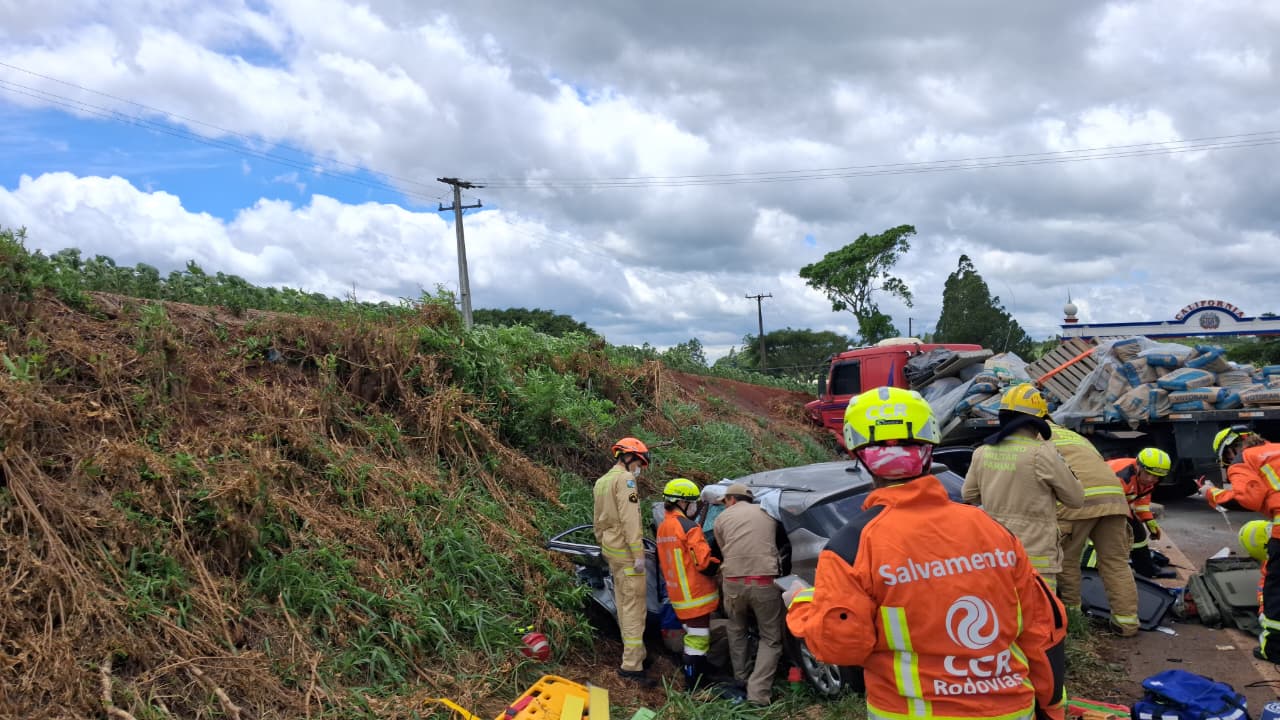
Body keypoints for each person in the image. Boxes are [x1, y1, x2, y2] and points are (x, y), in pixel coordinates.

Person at [787, 386, 1068, 720]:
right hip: (1010, 710)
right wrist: (1051, 707)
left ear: (857, 454)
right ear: (930, 445)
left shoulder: (852, 546)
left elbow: (841, 646)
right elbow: (1043, 630)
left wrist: (804, 604)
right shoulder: (991, 530)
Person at [963, 383, 1084, 590]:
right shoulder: (1042, 453)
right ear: (1036, 422)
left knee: (1003, 612)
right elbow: (1076, 499)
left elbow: (969, 494)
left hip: (995, 552)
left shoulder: (982, 452)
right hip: (1035, 554)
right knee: (1040, 617)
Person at [1049, 422, 1140, 636]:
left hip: (1079, 501)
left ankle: (1073, 619)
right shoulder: (1074, 435)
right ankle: (1126, 623)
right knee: (1116, 563)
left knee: (1067, 560)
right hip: (1114, 498)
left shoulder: (1036, 436)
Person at [714, 482, 788, 706]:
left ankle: (740, 680)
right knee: (771, 638)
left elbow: (724, 549)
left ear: (732, 500)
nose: (724, 506)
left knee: (736, 629)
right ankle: (758, 694)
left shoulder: (720, 520)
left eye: (725, 501)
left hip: (733, 582)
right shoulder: (768, 514)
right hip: (764, 581)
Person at [1211, 427, 1280, 662]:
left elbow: (1248, 499)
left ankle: (1273, 649)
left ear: (1230, 450)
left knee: (1275, 590)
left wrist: (1211, 493)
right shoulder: (1276, 450)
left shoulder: (1243, 459)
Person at [593, 437, 655, 687]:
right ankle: (631, 666)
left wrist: (605, 544)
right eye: (639, 462)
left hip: (611, 550)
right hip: (628, 554)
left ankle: (638, 654)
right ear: (629, 458)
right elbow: (631, 521)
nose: (639, 468)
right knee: (633, 609)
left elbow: (598, 522)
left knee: (623, 603)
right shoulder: (625, 480)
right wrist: (638, 555)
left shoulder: (602, 481)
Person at [656, 477, 723, 691]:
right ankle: (694, 686)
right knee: (698, 640)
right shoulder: (688, 527)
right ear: (682, 502)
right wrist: (720, 563)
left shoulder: (664, 527)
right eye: (693, 502)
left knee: (694, 637)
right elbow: (703, 562)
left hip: (678, 595)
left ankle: (696, 679)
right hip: (696, 594)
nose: (695, 506)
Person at [1107, 448, 1175, 580]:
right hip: (1099, 504)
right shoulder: (1122, 477)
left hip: (1116, 504)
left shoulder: (1146, 479)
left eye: (1155, 476)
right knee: (1107, 538)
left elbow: (1142, 502)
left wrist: (1149, 521)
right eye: (1147, 474)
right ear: (1138, 467)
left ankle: (1145, 571)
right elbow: (1111, 505)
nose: (1150, 479)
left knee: (1137, 534)